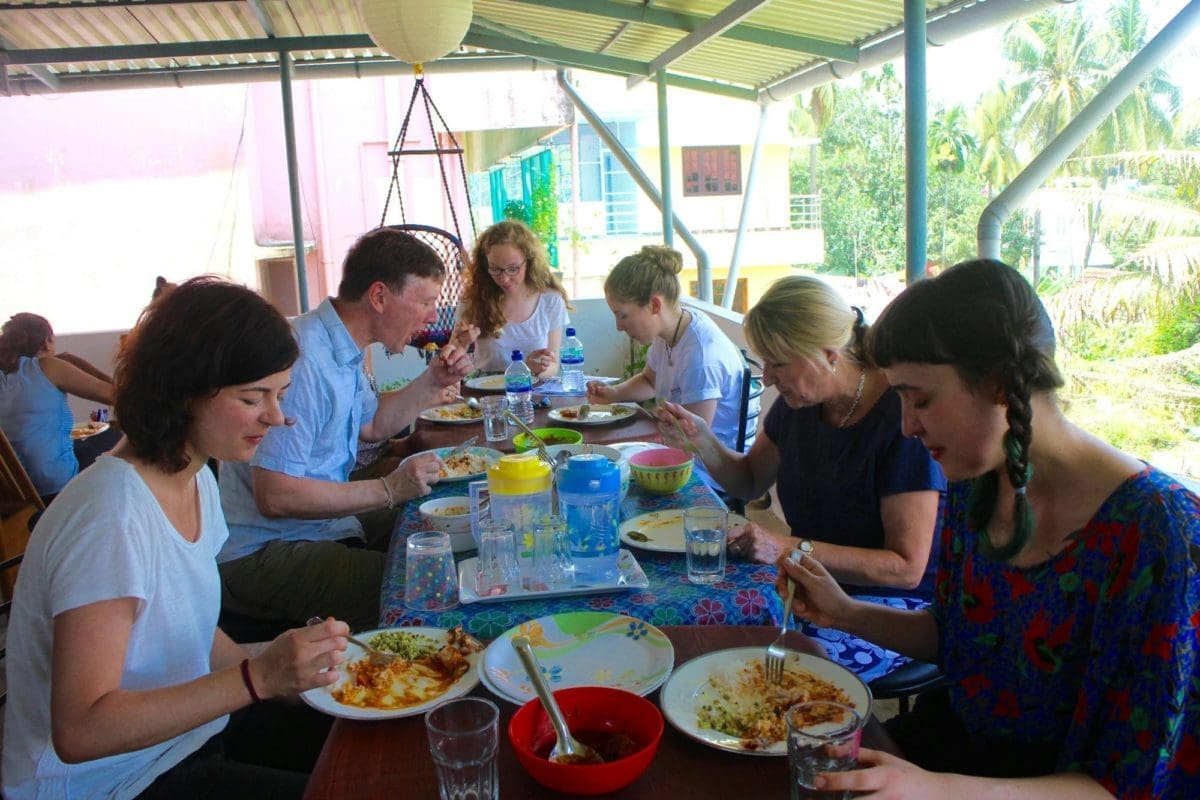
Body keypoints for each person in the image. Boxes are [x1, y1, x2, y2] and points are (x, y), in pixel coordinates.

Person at [780, 259, 1200, 797]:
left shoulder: (1159, 534)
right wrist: (844, 609)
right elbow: (960, 638)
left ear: (1001, 384)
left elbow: (1128, 785)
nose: (907, 426)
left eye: (921, 398)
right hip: (952, 750)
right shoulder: (975, 480)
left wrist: (937, 789)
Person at [2, 278, 349, 799]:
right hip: (111, 782)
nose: (276, 417)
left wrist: (302, 680)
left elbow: (191, 633)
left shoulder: (194, 479)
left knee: (376, 735)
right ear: (183, 392)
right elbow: (80, 729)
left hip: (185, 737)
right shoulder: (110, 514)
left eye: (280, 394)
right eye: (254, 397)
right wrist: (258, 679)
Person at [218, 227, 473, 632]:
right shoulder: (304, 360)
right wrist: (388, 489)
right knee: (431, 584)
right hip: (265, 550)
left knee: (456, 523)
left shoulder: (339, 346)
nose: (431, 316)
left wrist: (432, 382)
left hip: (319, 527)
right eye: (425, 301)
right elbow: (276, 495)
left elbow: (371, 425)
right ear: (378, 297)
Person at [658, 275, 945, 597]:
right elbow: (750, 481)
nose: (766, 379)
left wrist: (784, 546)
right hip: (809, 586)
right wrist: (701, 439)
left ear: (829, 355)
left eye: (777, 364)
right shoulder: (800, 405)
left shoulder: (899, 418)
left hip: (885, 607)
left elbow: (905, 568)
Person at [587, 246, 745, 485]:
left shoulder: (700, 356)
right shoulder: (671, 330)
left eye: (623, 315)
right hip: (682, 450)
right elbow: (650, 380)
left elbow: (692, 440)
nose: (619, 326)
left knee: (605, 476)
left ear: (654, 305)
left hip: (708, 471)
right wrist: (615, 393)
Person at [0, 312, 121, 500]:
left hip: (14, 489)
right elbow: (117, 395)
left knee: (85, 432)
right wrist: (74, 361)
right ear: (47, 341)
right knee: (113, 433)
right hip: (54, 483)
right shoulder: (48, 366)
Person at [455, 219, 572, 380]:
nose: (504, 278)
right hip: (485, 391)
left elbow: (553, 365)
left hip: (532, 388)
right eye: (495, 269)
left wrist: (537, 369)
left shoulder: (550, 300)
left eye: (513, 269)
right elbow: (451, 358)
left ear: (529, 262)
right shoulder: (474, 299)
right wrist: (462, 344)